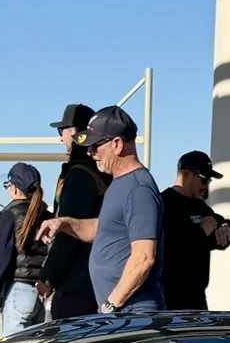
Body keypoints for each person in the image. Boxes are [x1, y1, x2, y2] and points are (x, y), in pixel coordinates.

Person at [39, 106, 162, 316]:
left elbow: (144, 257)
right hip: (118, 311)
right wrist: (64, 223)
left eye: (95, 146)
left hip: (132, 312)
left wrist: (112, 304)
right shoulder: (120, 182)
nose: (90, 152)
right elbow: (104, 228)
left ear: (117, 144)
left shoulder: (138, 188)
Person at [0, 162, 49, 337]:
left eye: (7, 185)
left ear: (15, 188)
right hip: (41, 293)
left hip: (18, 291)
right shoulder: (47, 215)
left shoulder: (10, 215)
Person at [44, 104, 108, 320]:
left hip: (77, 284)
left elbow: (69, 230)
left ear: (74, 132)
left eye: (61, 131)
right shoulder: (104, 173)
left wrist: (49, 276)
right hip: (102, 281)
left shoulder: (80, 174)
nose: (60, 138)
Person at [158, 150, 230, 311]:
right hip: (169, 297)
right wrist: (201, 232)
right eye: (204, 179)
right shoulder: (163, 204)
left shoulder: (200, 206)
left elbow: (224, 225)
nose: (205, 186)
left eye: (208, 181)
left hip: (197, 298)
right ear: (187, 174)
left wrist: (226, 227)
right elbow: (171, 246)